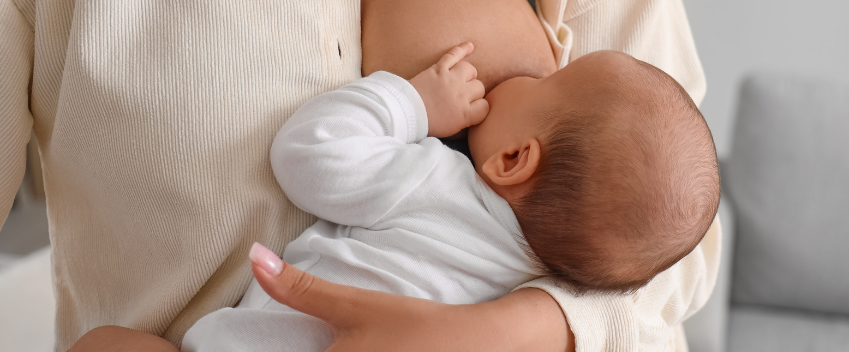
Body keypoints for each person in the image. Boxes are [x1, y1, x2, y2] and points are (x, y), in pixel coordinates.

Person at [0, 0, 720, 350]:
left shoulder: (434, 185)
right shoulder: (493, 227)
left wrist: (515, 330)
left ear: (512, 160)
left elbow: (677, 263)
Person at [179, 43, 719, 350]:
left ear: (513, 160)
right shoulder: (535, 291)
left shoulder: (436, 186)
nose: (535, 69)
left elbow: (306, 153)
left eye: (543, 83)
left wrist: (412, 103)